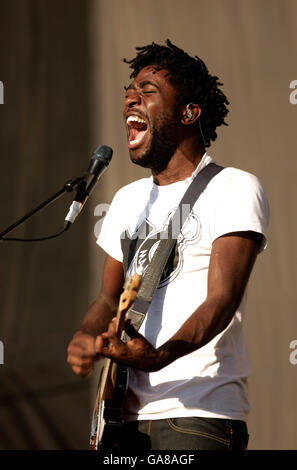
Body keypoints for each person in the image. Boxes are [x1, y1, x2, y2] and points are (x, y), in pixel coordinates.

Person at [67, 40, 269, 450]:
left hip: (196, 414)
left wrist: (158, 356)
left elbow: (221, 301)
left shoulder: (233, 187)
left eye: (147, 91)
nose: (130, 99)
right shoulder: (126, 200)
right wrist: (87, 336)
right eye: (130, 90)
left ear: (189, 112)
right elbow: (109, 299)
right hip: (120, 415)